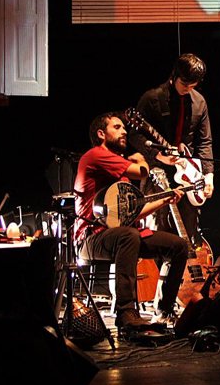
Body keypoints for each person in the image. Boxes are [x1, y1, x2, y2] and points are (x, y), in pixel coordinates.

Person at [74, 112, 187, 333]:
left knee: (179, 246)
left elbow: (132, 214)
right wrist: (140, 158)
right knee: (128, 235)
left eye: (124, 127)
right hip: (91, 238)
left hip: (122, 235)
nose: (124, 131)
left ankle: (164, 310)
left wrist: (165, 199)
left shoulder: (120, 173)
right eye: (117, 127)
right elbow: (142, 172)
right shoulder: (97, 155)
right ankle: (126, 313)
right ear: (101, 134)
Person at [132, 53, 214, 241]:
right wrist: (158, 155)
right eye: (184, 84)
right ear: (174, 75)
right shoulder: (152, 98)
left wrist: (208, 175)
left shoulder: (199, 102)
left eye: (193, 85)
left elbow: (205, 141)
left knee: (187, 234)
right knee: (157, 232)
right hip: (157, 173)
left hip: (188, 175)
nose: (188, 89)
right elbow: (134, 135)